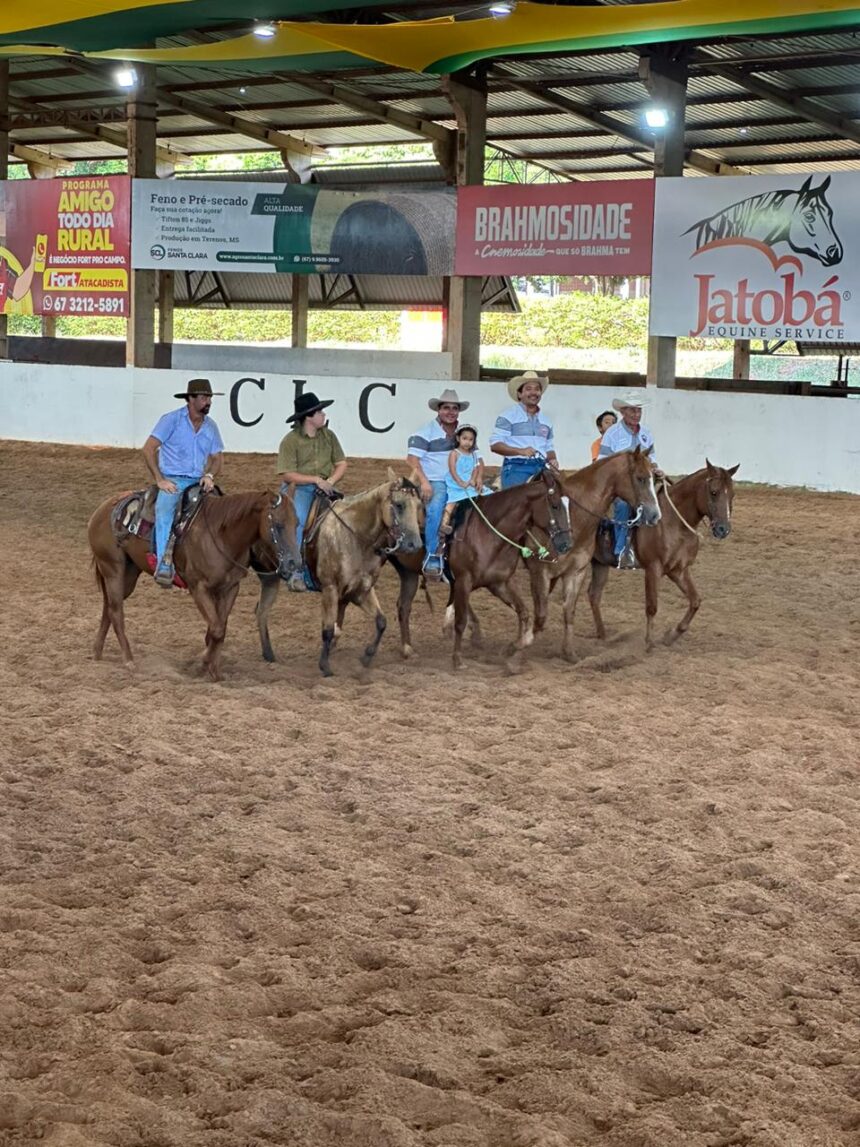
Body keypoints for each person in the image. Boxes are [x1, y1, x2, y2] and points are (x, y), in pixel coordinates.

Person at [142, 378, 225, 588]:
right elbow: (148, 448)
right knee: (165, 509)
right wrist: (160, 480)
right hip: (174, 480)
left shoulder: (211, 426)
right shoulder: (171, 420)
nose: (208, 402)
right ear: (190, 399)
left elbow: (218, 458)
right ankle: (164, 563)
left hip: (199, 480)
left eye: (210, 398)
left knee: (223, 512)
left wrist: (210, 475)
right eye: (204, 398)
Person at [277, 391, 347, 592]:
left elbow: (341, 463)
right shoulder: (290, 440)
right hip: (300, 488)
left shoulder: (329, 436)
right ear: (309, 417)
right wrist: (316, 480)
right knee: (297, 521)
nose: (323, 415)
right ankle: (295, 570)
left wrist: (330, 481)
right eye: (320, 412)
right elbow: (287, 474)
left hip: (325, 486)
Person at [406, 387, 468, 580]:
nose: (450, 412)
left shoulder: (463, 433)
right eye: (446, 408)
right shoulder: (426, 432)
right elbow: (412, 459)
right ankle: (432, 554)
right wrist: (424, 482)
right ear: (438, 410)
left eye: (454, 408)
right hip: (437, 480)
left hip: (459, 481)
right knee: (435, 507)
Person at [598, 391, 661, 570]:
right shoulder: (612, 434)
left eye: (638, 411)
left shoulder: (646, 435)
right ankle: (621, 551)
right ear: (623, 412)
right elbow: (602, 461)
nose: (636, 414)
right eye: (632, 411)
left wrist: (656, 467)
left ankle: (649, 548)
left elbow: (653, 458)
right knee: (624, 507)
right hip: (620, 486)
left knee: (659, 502)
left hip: (642, 483)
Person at [489, 370, 558, 488]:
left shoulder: (546, 421)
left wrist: (552, 459)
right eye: (528, 389)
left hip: (541, 467)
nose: (533, 392)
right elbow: (495, 445)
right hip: (516, 467)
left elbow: (549, 447)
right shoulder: (508, 416)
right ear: (519, 394)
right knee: (515, 503)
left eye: (537, 389)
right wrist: (521, 451)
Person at [439, 424, 492, 537]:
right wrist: (459, 482)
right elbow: (452, 469)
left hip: (468, 480)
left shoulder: (473, 454)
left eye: (470, 440)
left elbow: (475, 468)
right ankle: (444, 524)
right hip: (456, 481)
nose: (467, 442)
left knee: (487, 494)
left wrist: (473, 479)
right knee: (452, 501)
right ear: (458, 438)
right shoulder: (454, 453)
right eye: (464, 439)